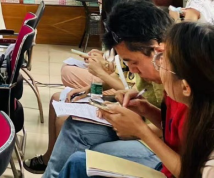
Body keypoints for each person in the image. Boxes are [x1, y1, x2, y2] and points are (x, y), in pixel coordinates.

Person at [57, 20, 214, 178]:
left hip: (167, 169)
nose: (158, 64)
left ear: (186, 87)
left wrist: (141, 131)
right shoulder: (183, 96)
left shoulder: (206, 128)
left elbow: (188, 172)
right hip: (165, 167)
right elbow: (172, 130)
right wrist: (147, 110)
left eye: (163, 62)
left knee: (80, 158)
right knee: (77, 162)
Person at [25, 0, 149, 173]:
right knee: (61, 98)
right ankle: (50, 160)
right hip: (124, 106)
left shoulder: (148, 54)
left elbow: (132, 92)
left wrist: (101, 73)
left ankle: (56, 167)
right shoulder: (129, 42)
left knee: (70, 122)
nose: (99, 3)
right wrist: (89, 89)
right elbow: (127, 85)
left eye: (102, 0)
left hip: (131, 119)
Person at [42, 0, 175, 178]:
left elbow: (184, 157)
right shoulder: (161, 70)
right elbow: (170, 125)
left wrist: (140, 130)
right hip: (147, 130)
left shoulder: (179, 82)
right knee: (75, 127)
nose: (133, 70)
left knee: (83, 160)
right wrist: (144, 108)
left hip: (159, 150)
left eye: (134, 62)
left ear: (158, 49)